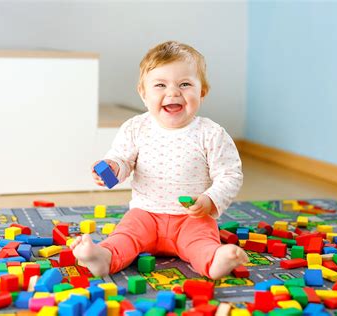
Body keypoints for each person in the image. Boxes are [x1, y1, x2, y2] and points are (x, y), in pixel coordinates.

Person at [70, 41, 247, 280]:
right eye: (160, 85)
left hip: (191, 217)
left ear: (202, 92)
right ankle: (103, 257)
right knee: (125, 236)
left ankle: (215, 260)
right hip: (145, 214)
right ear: (144, 93)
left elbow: (230, 174)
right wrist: (112, 168)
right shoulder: (136, 127)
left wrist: (209, 200)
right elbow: (123, 159)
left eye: (185, 84)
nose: (173, 92)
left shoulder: (212, 133)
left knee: (201, 241)